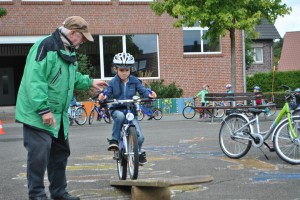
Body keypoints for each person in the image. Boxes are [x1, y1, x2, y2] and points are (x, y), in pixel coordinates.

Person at [15, 16, 107, 200]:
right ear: (73, 33)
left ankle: (58, 193)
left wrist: (89, 82)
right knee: (39, 156)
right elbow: (35, 80)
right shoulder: (46, 46)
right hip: (38, 114)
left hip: (58, 114)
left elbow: (69, 77)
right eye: (82, 37)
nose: (83, 41)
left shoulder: (68, 50)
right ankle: (37, 195)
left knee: (60, 154)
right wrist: (43, 110)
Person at [98, 52, 157, 165]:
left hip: (131, 111)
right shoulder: (113, 82)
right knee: (119, 117)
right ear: (116, 69)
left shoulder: (134, 80)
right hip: (117, 109)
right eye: (121, 70)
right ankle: (114, 140)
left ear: (130, 69)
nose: (124, 73)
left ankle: (138, 153)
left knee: (140, 138)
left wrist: (149, 95)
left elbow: (143, 90)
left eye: (127, 70)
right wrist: (103, 96)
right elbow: (107, 92)